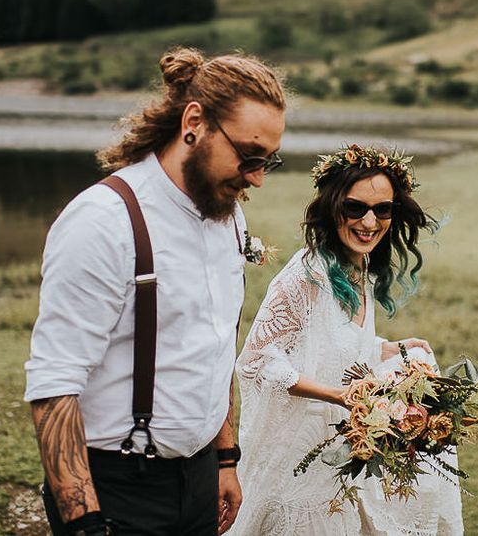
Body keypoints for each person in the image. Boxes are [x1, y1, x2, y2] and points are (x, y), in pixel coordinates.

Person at [24, 47, 286, 536]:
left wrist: (225, 458)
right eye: (249, 157)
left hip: (200, 478)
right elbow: (54, 384)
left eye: (269, 160)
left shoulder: (229, 217)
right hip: (120, 489)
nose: (257, 178)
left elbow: (213, 346)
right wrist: (84, 522)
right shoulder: (104, 220)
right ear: (194, 122)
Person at [232, 144, 464, 535]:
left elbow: (332, 344)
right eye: (356, 208)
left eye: (383, 209)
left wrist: (391, 349)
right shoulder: (304, 276)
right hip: (302, 454)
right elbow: (256, 361)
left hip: (346, 444)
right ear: (332, 208)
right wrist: (339, 397)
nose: (370, 221)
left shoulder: (362, 264)